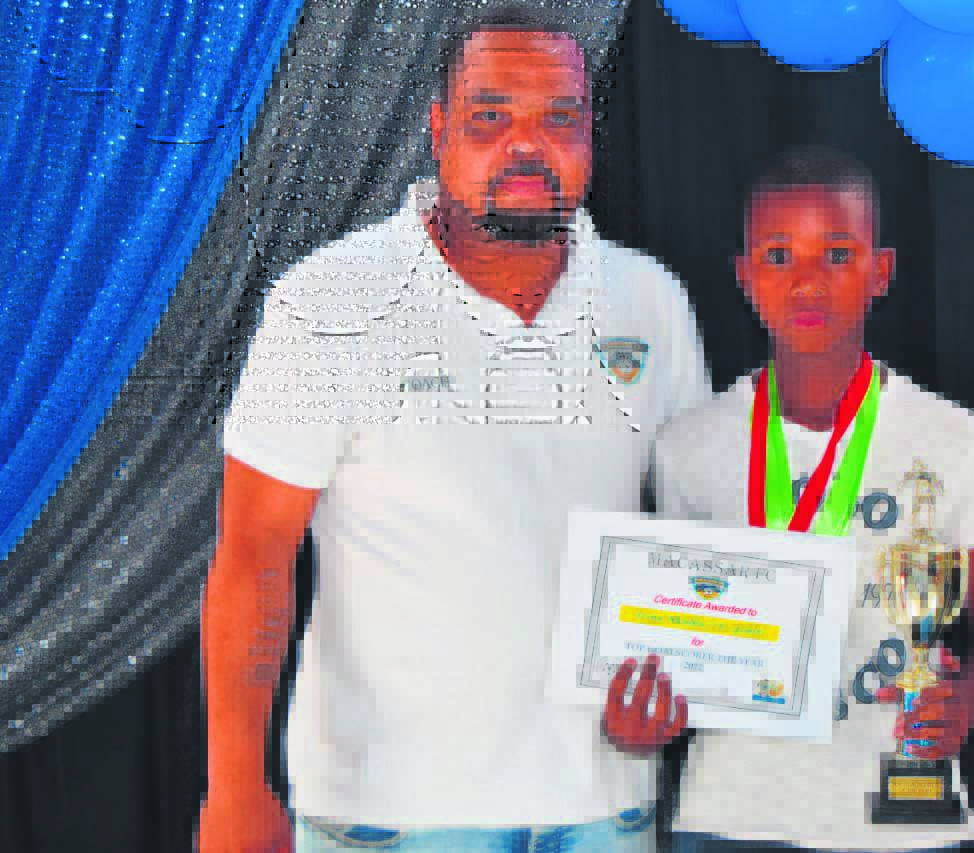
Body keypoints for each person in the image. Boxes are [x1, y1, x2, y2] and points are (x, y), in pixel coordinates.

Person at [197, 6, 709, 852]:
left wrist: (678, 681)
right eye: (490, 117)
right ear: (439, 131)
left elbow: (691, 546)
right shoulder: (329, 301)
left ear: (590, 135)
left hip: (602, 804)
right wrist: (234, 786)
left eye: (559, 119)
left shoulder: (649, 299)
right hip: (393, 814)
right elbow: (255, 553)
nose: (526, 146)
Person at [653, 144, 974, 852]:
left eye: (837, 254)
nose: (807, 282)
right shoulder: (689, 446)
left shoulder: (954, 440)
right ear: (744, 275)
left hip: (896, 816)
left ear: (880, 270)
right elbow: (676, 638)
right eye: (779, 256)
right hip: (732, 815)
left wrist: (962, 704)